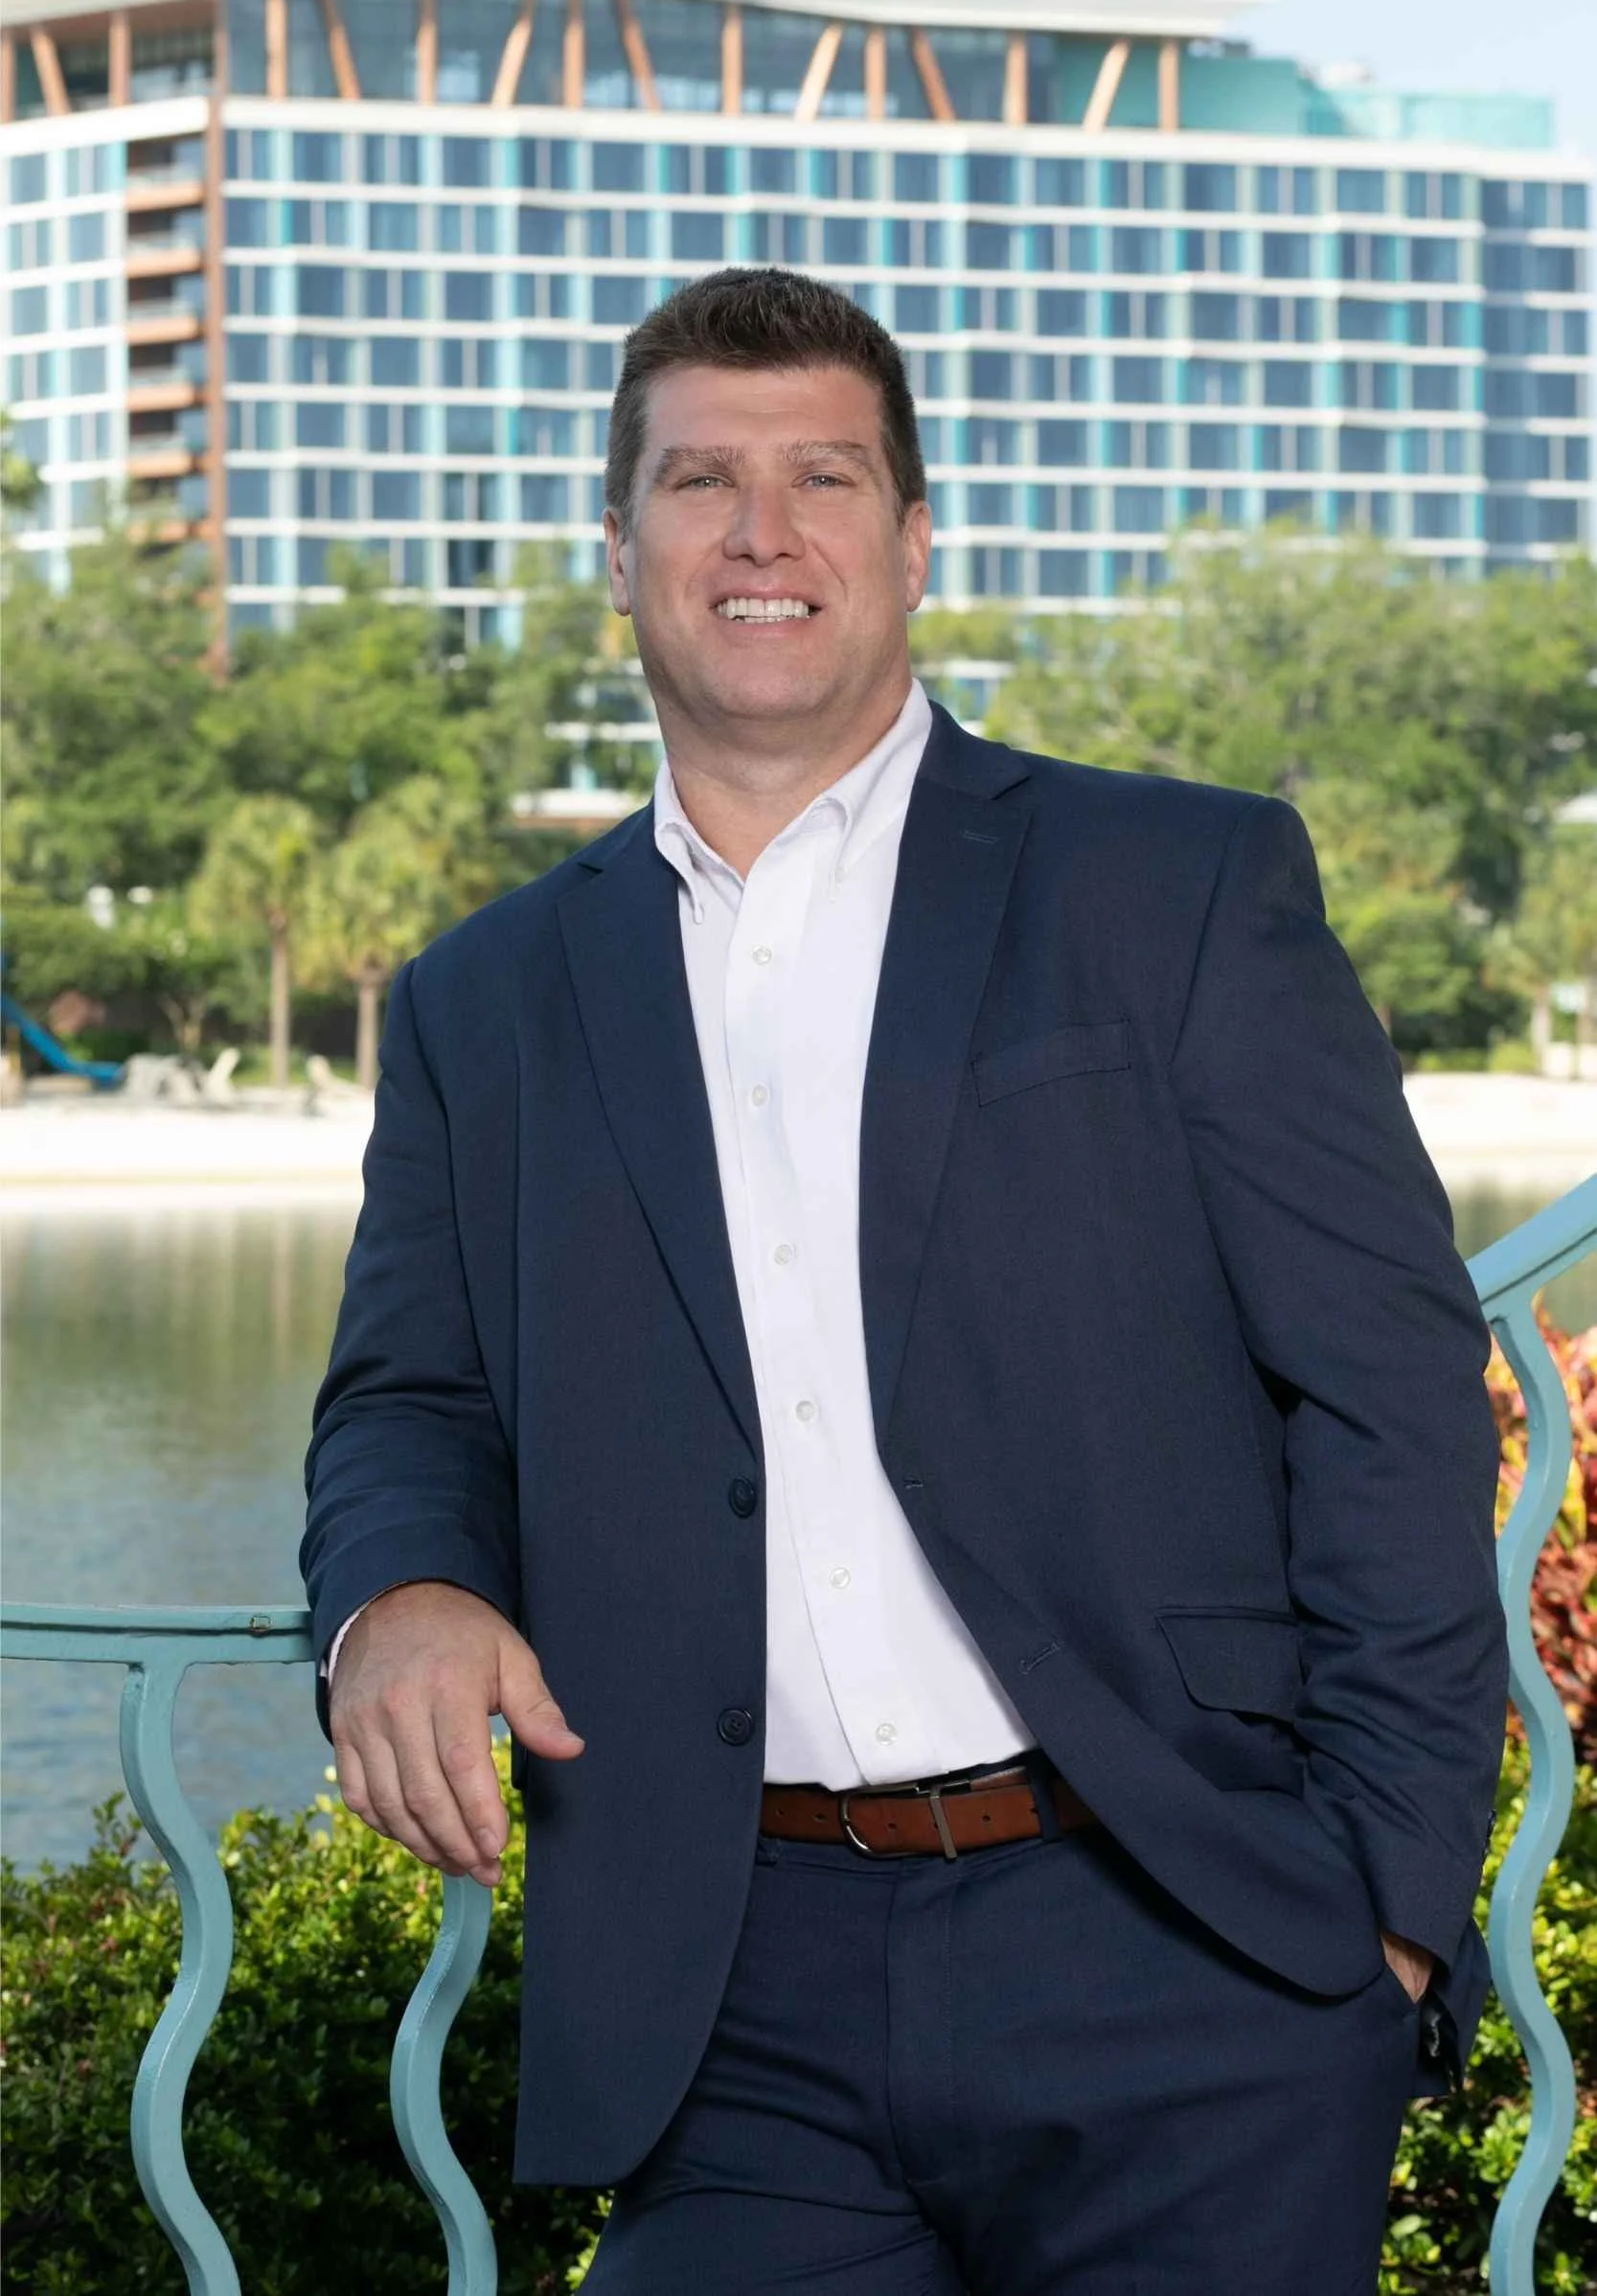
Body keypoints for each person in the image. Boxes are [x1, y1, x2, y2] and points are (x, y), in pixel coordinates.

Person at [303, 267, 1508, 2294]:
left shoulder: (1176, 886)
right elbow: (408, 1394)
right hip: (732, 1989)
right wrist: (394, 1591)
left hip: (1179, 1946)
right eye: (698, 480)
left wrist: (1373, 1907)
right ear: (620, 553)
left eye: (821, 477)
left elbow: (1387, 1386)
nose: (759, 533)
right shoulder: (480, 1002)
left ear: (911, 537)